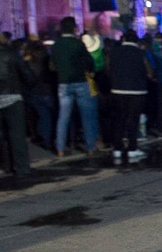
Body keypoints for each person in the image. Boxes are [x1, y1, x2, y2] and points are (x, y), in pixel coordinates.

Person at [51, 17, 100, 157]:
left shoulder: (56, 45)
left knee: (63, 116)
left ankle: (60, 148)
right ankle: (90, 147)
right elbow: (89, 62)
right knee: (87, 116)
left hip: (63, 84)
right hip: (80, 82)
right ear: (74, 28)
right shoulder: (78, 44)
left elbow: (53, 65)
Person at [107, 30, 152, 160]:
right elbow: (149, 72)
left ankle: (117, 148)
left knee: (119, 119)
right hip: (137, 91)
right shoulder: (141, 53)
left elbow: (107, 68)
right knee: (133, 119)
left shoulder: (114, 52)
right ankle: (132, 148)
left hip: (117, 90)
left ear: (123, 39)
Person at [0, 32, 35, 176]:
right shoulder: (12, 53)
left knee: (1, 135)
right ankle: (22, 168)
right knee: (17, 135)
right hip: (13, 96)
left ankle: (5, 165)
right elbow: (26, 75)